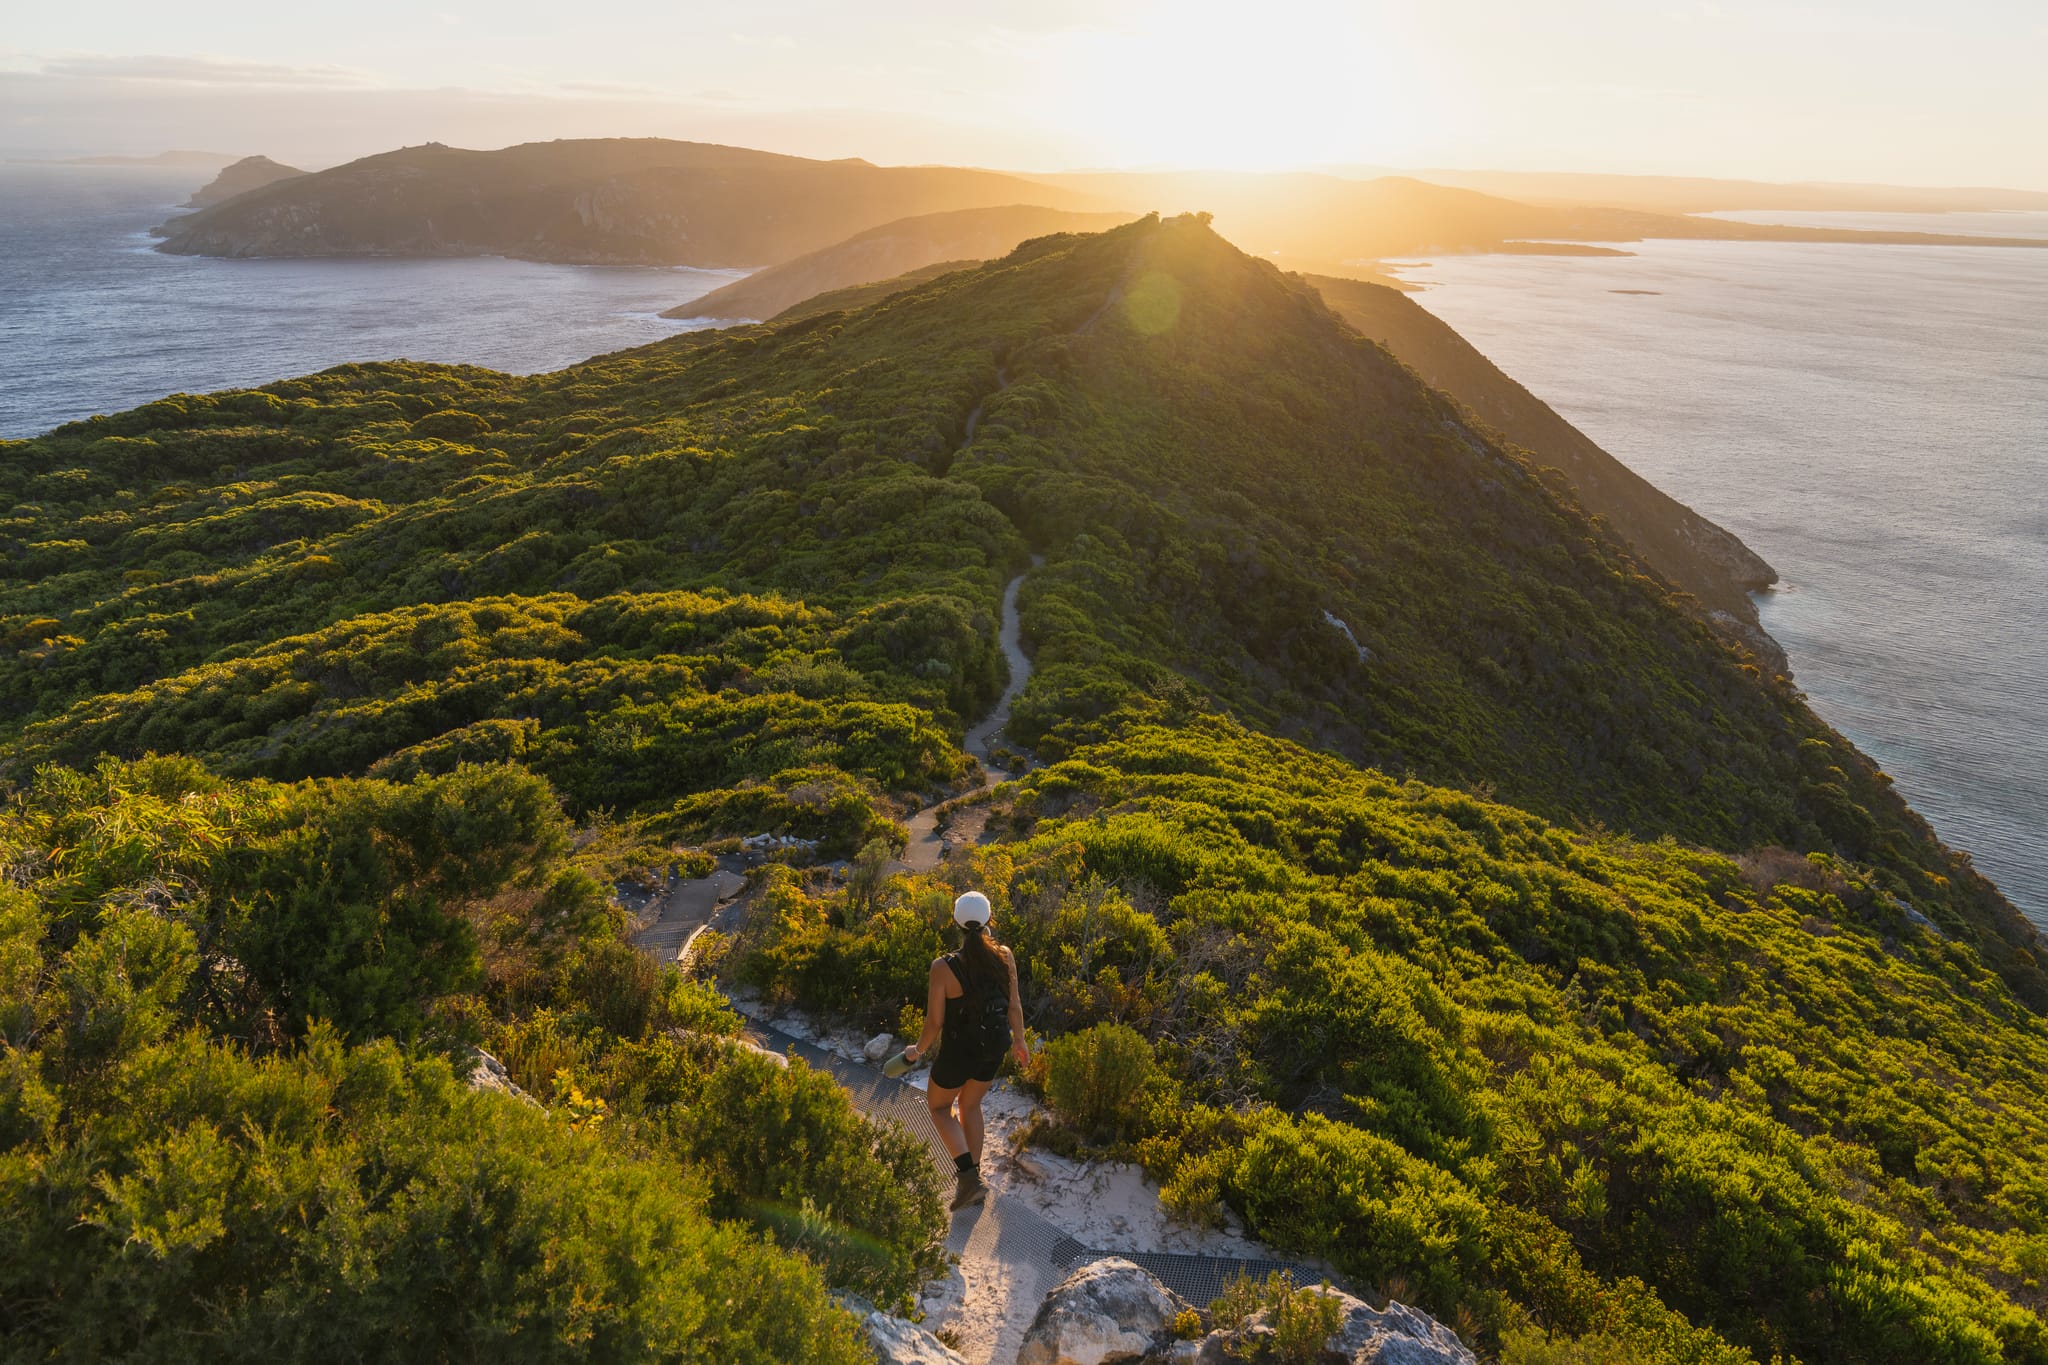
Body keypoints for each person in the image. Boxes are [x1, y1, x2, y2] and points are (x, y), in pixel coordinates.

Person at [904, 890, 1028, 1211]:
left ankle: (969, 1179)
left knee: (938, 1108)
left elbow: (934, 1022)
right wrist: (1020, 1042)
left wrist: (917, 1050)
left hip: (959, 1053)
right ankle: (971, 1181)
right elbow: (1014, 1004)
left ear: (956, 924)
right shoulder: (1005, 955)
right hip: (994, 1048)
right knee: (970, 1106)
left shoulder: (942, 968)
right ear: (989, 920)